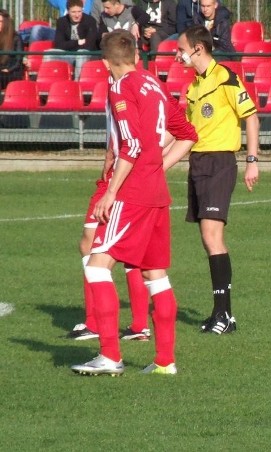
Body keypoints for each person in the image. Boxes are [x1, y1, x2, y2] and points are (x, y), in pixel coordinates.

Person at [71, 30, 180, 376]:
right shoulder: (154, 83)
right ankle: (165, 362)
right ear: (135, 55)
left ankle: (110, 356)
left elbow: (130, 147)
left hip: (133, 193)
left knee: (96, 266)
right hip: (157, 193)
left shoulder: (121, 86)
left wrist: (110, 191)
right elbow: (187, 132)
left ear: (105, 63)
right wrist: (156, 167)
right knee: (155, 276)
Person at [69, 66, 198, 342]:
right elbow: (184, 132)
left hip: (130, 180)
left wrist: (119, 183)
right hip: (140, 180)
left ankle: (107, 346)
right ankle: (161, 356)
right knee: (149, 267)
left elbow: (134, 143)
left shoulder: (130, 85)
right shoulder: (141, 83)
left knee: (98, 259)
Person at [177, 25, 260, 334]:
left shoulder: (225, 77)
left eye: (180, 48)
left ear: (198, 48)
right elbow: (185, 134)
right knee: (206, 238)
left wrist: (252, 161)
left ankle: (224, 314)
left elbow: (250, 116)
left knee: (213, 237)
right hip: (198, 163)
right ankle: (221, 314)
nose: (176, 54)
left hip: (220, 162)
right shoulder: (193, 87)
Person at [46, 0, 100, 80]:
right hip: (69, 54)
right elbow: (58, 45)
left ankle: (77, 83)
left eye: (79, 11)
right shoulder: (62, 21)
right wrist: (78, 42)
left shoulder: (90, 21)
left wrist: (68, 45)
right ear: (68, 11)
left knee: (81, 53)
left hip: (86, 55)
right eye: (73, 12)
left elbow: (89, 45)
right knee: (49, 53)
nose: (77, 15)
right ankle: (48, 82)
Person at [0, 9, 25, 90]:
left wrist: (8, 69)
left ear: (6, 23)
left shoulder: (16, 38)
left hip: (12, 72)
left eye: (0, 21)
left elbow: (18, 61)